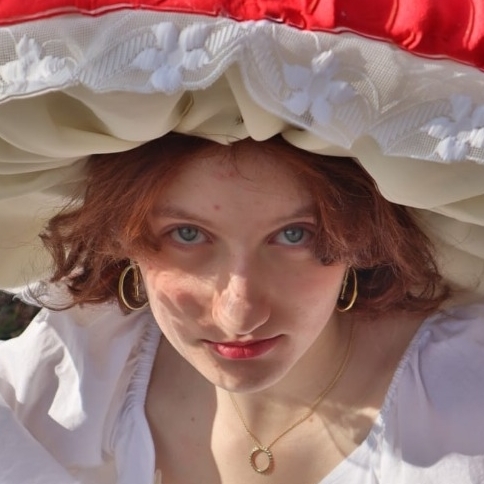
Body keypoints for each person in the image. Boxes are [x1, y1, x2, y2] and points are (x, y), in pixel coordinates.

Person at [1, 133, 483, 484]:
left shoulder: (462, 391)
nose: (240, 314)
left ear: (359, 235)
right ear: (124, 241)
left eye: (294, 235)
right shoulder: (81, 368)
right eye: (187, 234)